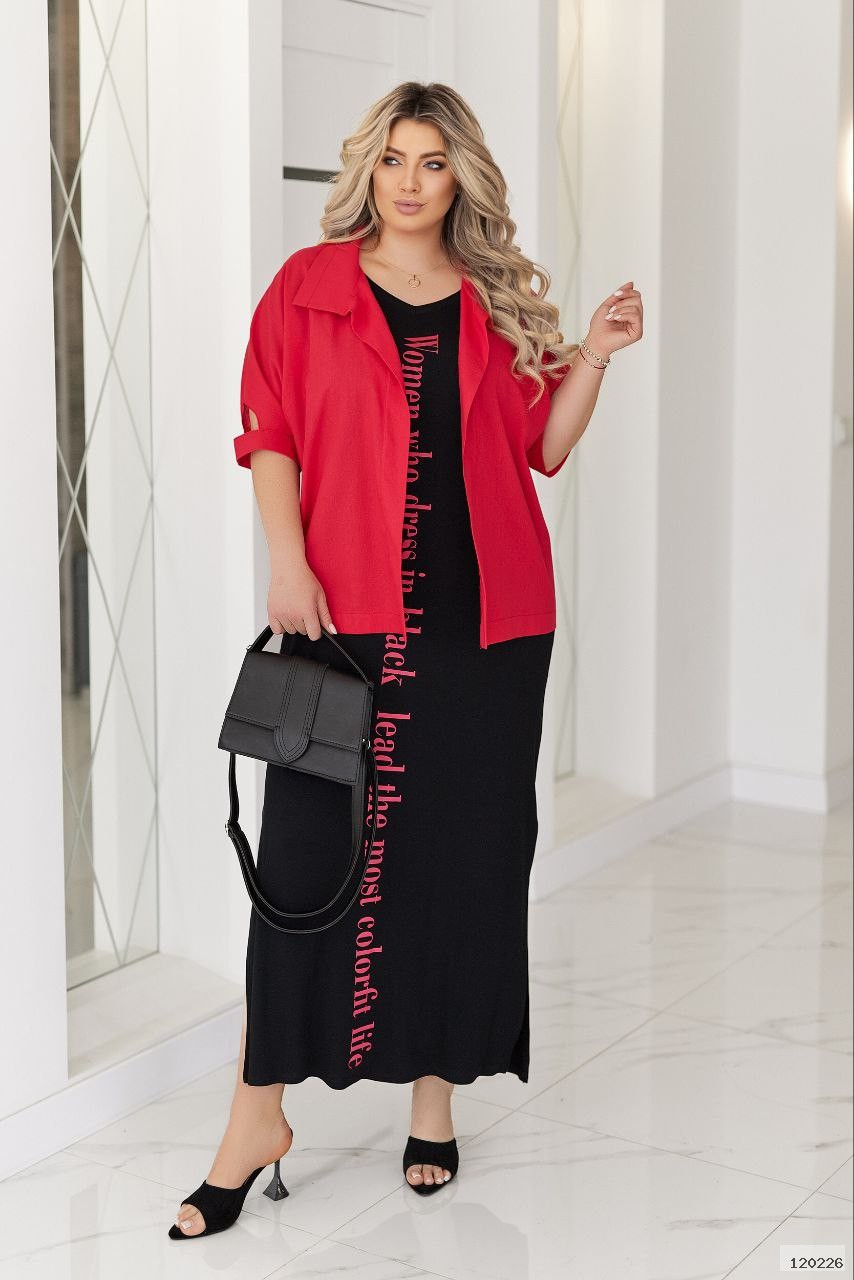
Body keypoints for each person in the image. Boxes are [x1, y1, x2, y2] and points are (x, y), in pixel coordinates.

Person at [170, 80, 642, 1240]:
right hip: (343, 616)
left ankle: (434, 1095)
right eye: (394, 158)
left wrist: (591, 356)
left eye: (433, 161)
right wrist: (287, 564)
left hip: (486, 629)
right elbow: (269, 435)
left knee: (461, 857)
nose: (411, 181)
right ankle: (255, 1115)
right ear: (367, 169)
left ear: (457, 175)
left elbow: (539, 445)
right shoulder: (307, 287)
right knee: (301, 866)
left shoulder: (486, 297)